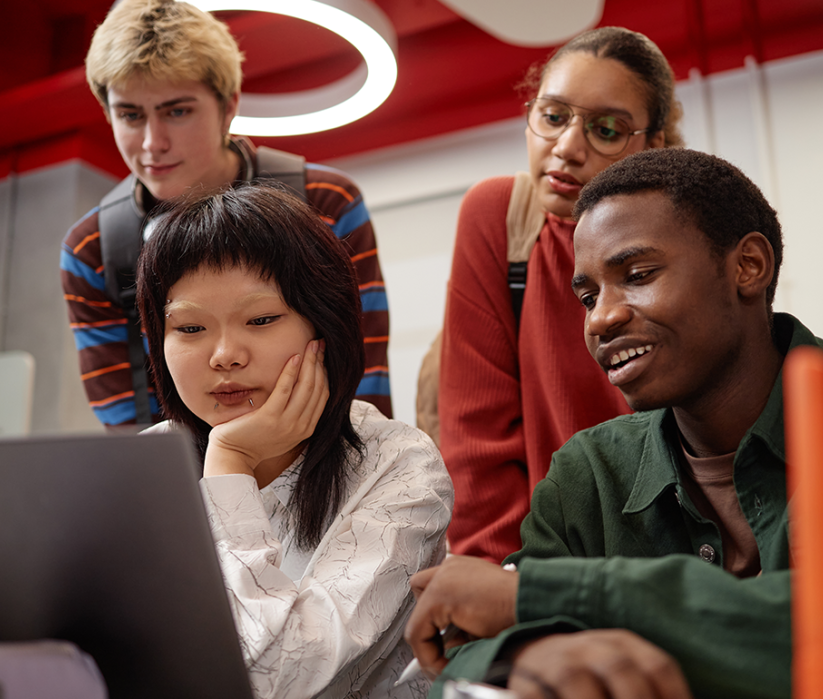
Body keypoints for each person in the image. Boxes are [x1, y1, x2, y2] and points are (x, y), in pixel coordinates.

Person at [406, 148, 823, 698]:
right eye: (588, 297)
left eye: (637, 275)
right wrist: (526, 655)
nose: (602, 318)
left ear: (749, 266)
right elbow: (467, 652)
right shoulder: (588, 474)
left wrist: (563, 595)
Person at [136, 182, 453, 698]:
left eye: (261, 320)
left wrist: (230, 462)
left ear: (324, 325)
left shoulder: (399, 465)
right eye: (190, 328)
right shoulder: (142, 467)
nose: (224, 355)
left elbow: (276, 680)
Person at [61, 0, 391, 428]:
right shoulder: (93, 248)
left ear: (228, 106)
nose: (153, 142)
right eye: (130, 115)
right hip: (182, 467)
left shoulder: (324, 202)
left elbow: (363, 378)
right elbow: (128, 426)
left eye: (177, 111)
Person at [439, 26, 683, 562]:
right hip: (542, 558)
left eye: (606, 129)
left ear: (653, 143)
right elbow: (476, 440)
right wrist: (505, 582)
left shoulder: (688, 235)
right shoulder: (499, 218)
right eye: (553, 117)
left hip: (672, 559)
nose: (567, 148)